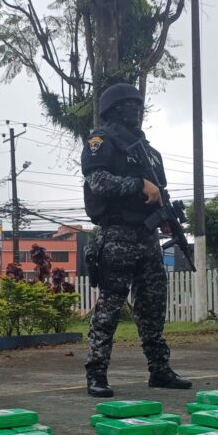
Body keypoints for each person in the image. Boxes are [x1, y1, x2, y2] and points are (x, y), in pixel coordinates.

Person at [81, 82, 192, 398]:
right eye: (129, 105)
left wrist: (166, 217)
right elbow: (98, 182)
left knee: (153, 307)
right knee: (110, 307)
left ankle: (160, 370)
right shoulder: (101, 141)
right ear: (113, 109)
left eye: (138, 105)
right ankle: (97, 374)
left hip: (148, 237)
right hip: (117, 234)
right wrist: (138, 185)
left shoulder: (150, 153)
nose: (136, 110)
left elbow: (158, 192)